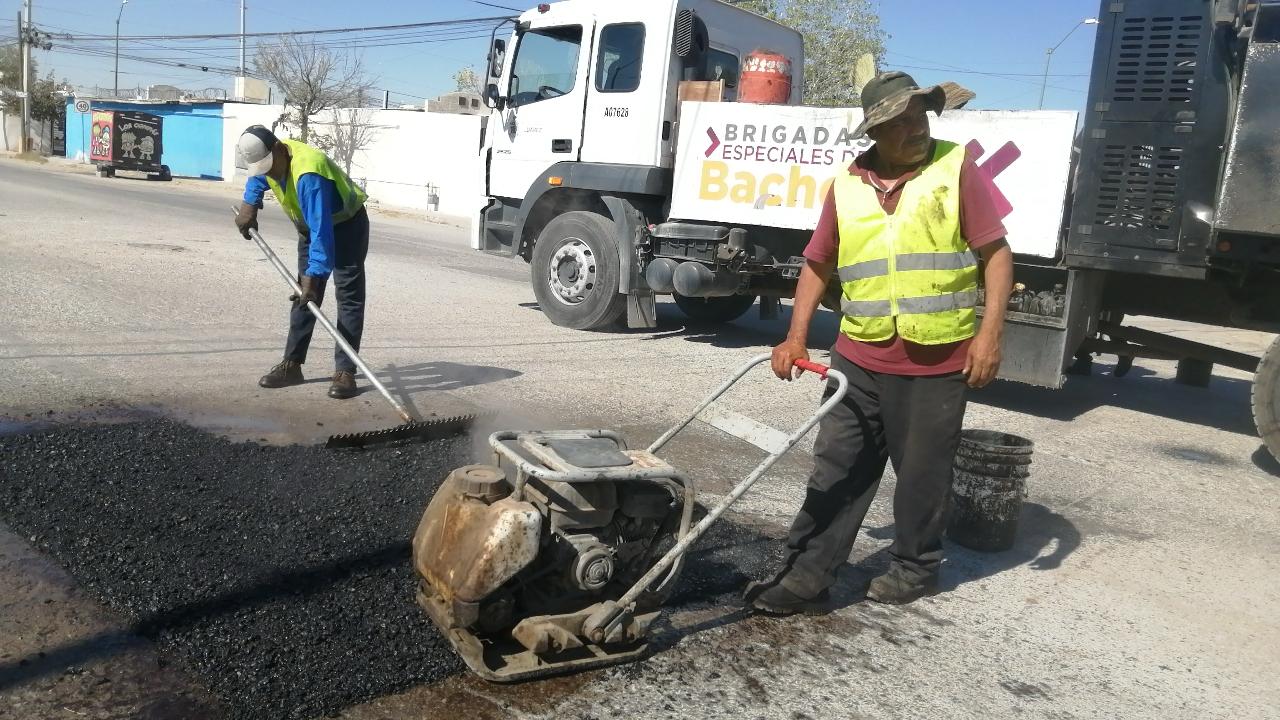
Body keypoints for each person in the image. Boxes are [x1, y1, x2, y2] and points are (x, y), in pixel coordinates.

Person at [746, 71, 1014, 613]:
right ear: (875, 132)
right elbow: (817, 263)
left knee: (921, 478)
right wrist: (795, 337)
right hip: (858, 357)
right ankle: (806, 575)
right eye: (899, 122)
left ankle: (915, 568)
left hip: (936, 360)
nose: (915, 129)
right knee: (837, 468)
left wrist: (989, 335)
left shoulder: (955, 167)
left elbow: (996, 254)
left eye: (919, 116)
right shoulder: (846, 185)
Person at [233, 125, 370, 400]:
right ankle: (292, 365)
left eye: (269, 166)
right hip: (311, 228)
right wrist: (250, 204)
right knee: (303, 296)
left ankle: (345, 371)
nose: (269, 173)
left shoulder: (309, 173)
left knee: (347, 296)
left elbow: (322, 232)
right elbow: (259, 177)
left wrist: (314, 276)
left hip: (346, 225)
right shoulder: (270, 161)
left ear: (279, 149)